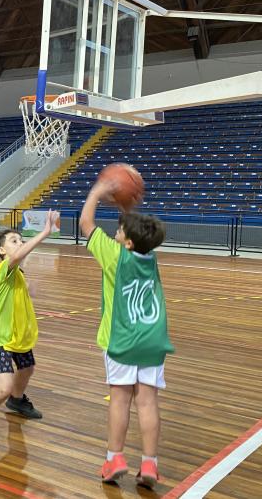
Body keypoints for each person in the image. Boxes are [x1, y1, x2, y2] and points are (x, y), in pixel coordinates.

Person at [80, 180, 174, 489]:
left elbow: (85, 224)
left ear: (128, 243)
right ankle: (150, 464)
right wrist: (127, 212)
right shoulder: (151, 257)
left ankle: (114, 459)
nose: (115, 234)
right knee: (147, 401)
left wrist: (96, 193)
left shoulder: (114, 256)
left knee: (120, 400)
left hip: (120, 339)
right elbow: (141, 232)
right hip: (152, 340)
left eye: (119, 232)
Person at [0, 212, 57, 445]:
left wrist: (30, 290)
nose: (19, 244)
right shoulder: (3, 270)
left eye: (20, 239)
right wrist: (45, 232)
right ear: (2, 251)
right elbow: (20, 256)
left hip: (18, 335)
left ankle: (17, 401)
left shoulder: (17, 273)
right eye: (14, 241)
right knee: (4, 386)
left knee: (27, 368)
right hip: (1, 337)